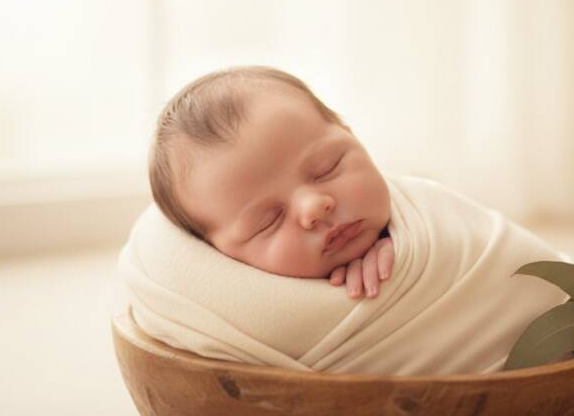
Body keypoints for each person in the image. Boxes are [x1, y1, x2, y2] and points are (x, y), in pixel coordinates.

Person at [148, 66, 395, 300]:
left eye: (327, 169)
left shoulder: (421, 215)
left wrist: (406, 246)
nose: (313, 207)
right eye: (268, 221)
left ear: (350, 134)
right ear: (219, 255)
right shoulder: (247, 310)